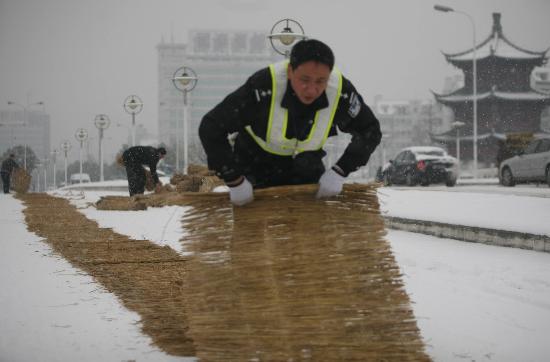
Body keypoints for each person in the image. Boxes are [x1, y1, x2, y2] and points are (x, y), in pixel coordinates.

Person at [199, 39, 381, 206]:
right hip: (255, 166)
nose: (312, 89)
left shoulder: (341, 93)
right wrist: (234, 180)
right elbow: (211, 126)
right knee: (255, 238)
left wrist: (340, 171)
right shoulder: (263, 87)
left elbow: (370, 131)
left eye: (321, 81)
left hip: (306, 170)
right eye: (304, 80)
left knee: (309, 238)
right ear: (289, 71)